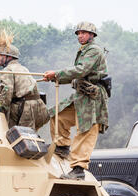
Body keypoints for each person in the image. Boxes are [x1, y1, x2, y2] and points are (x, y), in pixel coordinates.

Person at [43, 22, 109, 180]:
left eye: (84, 33)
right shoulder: (84, 50)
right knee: (58, 115)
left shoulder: (94, 50)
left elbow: (81, 70)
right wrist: (53, 78)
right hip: (81, 95)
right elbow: (78, 74)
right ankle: (62, 147)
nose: (80, 36)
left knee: (85, 131)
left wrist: (57, 74)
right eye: (78, 33)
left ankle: (78, 169)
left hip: (92, 99)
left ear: (92, 35)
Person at [0, 29, 49, 130]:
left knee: (19, 137)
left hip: (25, 108)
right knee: (30, 136)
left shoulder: (8, 70)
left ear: (8, 57)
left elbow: (6, 96)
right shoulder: (23, 68)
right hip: (38, 106)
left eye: (0, 55)